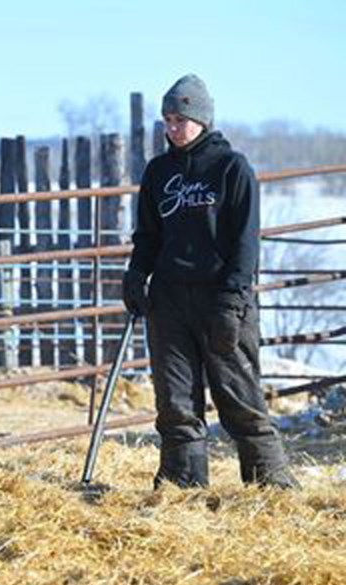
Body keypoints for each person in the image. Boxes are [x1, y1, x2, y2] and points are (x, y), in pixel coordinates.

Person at [122, 73, 298, 489]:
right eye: (167, 120)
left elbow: (244, 243)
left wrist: (232, 301)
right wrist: (136, 274)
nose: (173, 128)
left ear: (201, 119)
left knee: (238, 396)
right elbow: (148, 234)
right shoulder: (158, 172)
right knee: (175, 399)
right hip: (169, 301)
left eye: (180, 119)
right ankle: (183, 486)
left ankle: (270, 486)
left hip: (220, 298)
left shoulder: (231, 168)